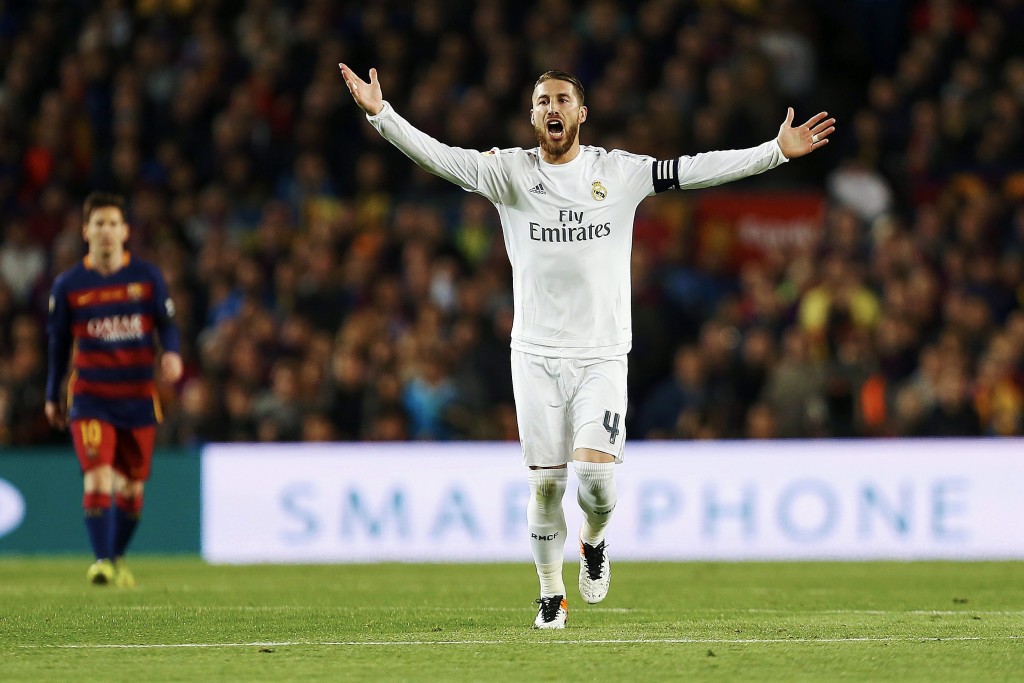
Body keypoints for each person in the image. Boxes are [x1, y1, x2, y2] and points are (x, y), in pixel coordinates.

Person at [338, 64, 834, 628]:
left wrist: (775, 152)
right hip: (534, 356)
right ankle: (551, 593)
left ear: (582, 113)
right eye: (542, 101)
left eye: (563, 99)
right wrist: (382, 115)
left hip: (600, 353)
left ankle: (594, 541)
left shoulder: (618, 173)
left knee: (596, 484)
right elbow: (439, 156)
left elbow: (695, 170)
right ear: (532, 116)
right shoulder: (509, 174)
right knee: (546, 489)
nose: (553, 108)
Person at [44, 192, 183, 586]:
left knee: (132, 490)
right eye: (98, 223)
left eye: (112, 223)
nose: (106, 231)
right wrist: (52, 394)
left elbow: (167, 325)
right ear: (85, 231)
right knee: (98, 477)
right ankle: (102, 561)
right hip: (91, 398)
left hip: (138, 398)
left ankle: (116, 555)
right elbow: (58, 345)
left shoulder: (147, 278)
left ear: (125, 231)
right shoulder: (69, 285)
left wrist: (172, 353)